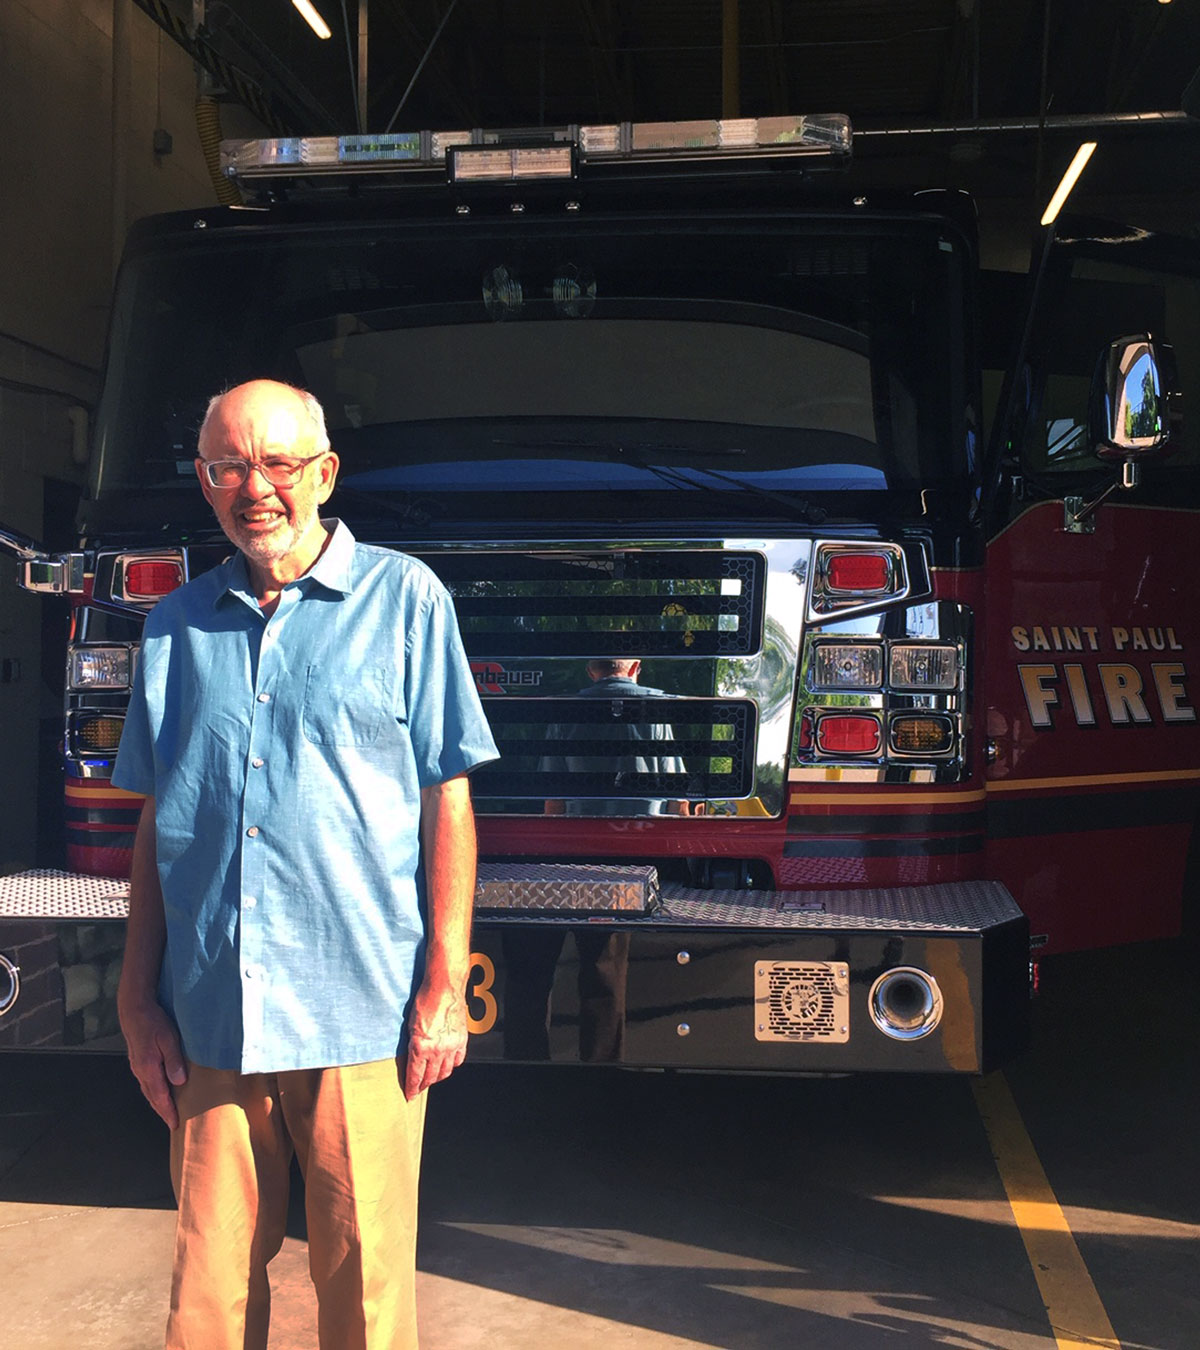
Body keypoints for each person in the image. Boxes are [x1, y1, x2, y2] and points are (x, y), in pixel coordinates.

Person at [113, 379, 498, 1350]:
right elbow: (162, 819)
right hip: (208, 1016)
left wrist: (444, 984)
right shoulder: (173, 631)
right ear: (204, 481)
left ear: (324, 473)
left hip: (359, 1012)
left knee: (363, 1295)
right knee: (205, 1298)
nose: (256, 488)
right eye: (229, 466)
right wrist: (134, 994)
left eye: (279, 463)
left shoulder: (406, 601)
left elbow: (445, 797)